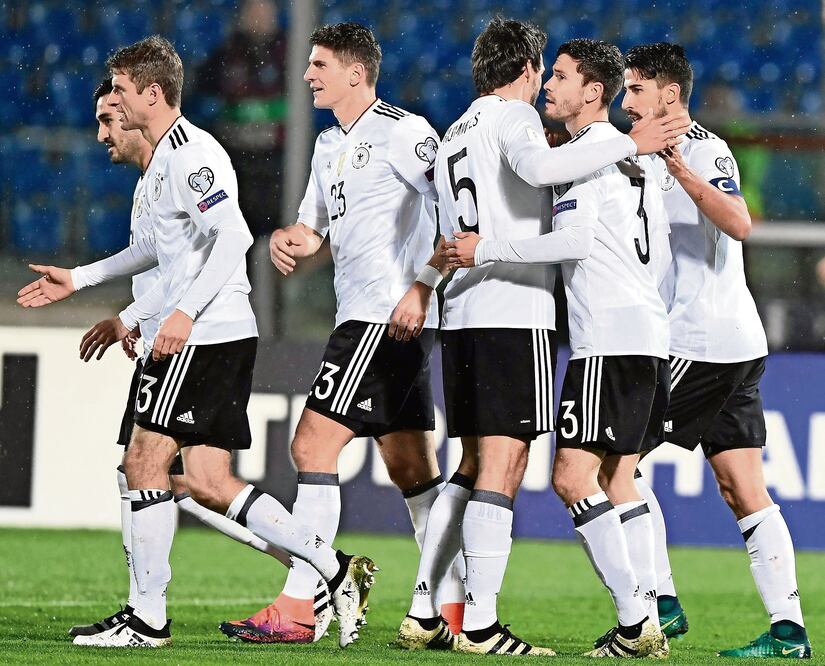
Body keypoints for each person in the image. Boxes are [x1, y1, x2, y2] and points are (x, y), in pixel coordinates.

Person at [22, 35, 371, 649]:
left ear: (152, 94)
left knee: (143, 464)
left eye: (122, 95)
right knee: (206, 478)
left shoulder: (191, 154)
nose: (114, 111)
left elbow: (233, 238)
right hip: (195, 333)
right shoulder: (160, 163)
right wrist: (85, 284)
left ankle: (146, 618)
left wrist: (179, 315)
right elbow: (163, 252)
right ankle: (333, 568)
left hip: (203, 336)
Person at [394, 17, 689, 656]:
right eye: (547, 71)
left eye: (562, 75)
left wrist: (438, 273)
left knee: (479, 466)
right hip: (518, 310)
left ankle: (425, 608)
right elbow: (543, 171)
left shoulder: (453, 133)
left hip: (469, 314)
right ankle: (483, 622)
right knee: (514, 467)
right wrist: (630, 142)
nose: (549, 84)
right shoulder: (538, 131)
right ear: (525, 70)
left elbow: (477, 225)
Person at [221, 22, 466, 644]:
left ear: (356, 72)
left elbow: (453, 215)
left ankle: (300, 605)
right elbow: (314, 230)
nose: (306, 75)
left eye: (319, 64)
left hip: (384, 318)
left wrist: (422, 287)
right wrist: (289, 241)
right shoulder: (330, 144)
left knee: (312, 448)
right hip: (368, 316)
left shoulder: (406, 133)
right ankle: (456, 611)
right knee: (412, 467)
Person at [622, 42, 811, 659]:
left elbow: (738, 221)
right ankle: (789, 633)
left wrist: (680, 171)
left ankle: (660, 604)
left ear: (669, 95)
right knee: (741, 486)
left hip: (697, 343)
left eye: (637, 91)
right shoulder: (634, 153)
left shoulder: (702, 149)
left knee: (611, 465)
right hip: (735, 342)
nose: (628, 103)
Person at [195, 0, 287, 238]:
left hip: (280, 161)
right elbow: (200, 96)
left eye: (265, 8)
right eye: (254, 9)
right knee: (238, 233)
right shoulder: (226, 53)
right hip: (237, 161)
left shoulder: (292, 55)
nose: (260, 15)